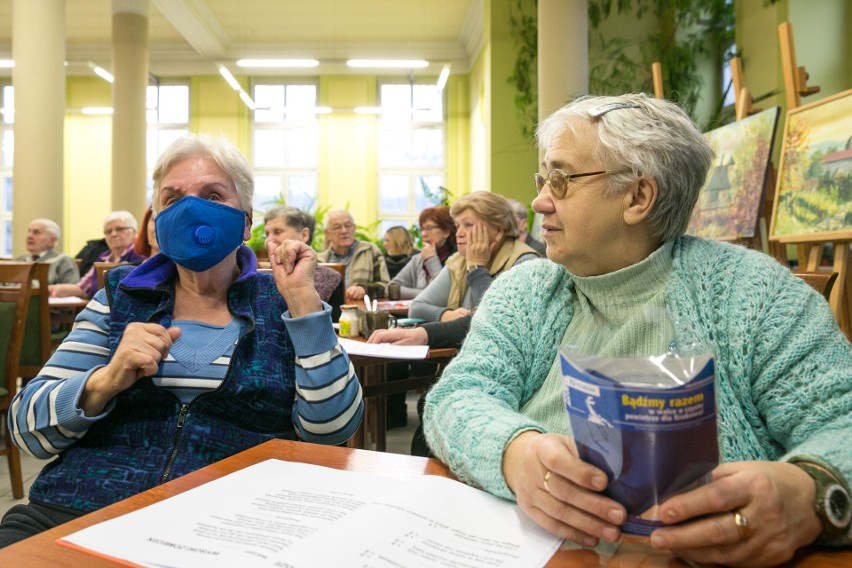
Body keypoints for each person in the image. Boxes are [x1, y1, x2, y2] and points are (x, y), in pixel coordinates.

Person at [422, 94, 852, 566]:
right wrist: (514, 454)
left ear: (638, 197)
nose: (540, 200)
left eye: (561, 179)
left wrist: (812, 492)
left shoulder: (753, 294)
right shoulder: (527, 290)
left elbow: (842, 423)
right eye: (543, 178)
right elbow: (458, 396)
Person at [0, 133, 364, 547]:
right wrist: (104, 381)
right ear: (157, 221)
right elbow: (27, 428)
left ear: (246, 221)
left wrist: (304, 304)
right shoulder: (120, 296)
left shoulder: (281, 303)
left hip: (230, 525)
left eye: (213, 194)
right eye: (173, 199)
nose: (192, 210)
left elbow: (332, 430)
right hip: (83, 510)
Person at [409, 191, 539, 323]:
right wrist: (446, 316)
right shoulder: (458, 261)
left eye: (468, 225)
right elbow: (416, 308)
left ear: (499, 231)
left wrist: (477, 267)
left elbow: (498, 319)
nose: (459, 233)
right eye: (457, 226)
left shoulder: (525, 264)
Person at [264, 205, 345, 321]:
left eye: (278, 232)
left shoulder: (332, 279)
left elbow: (336, 328)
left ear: (304, 235)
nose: (269, 240)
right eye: (267, 234)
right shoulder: (260, 276)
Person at [48, 210, 146, 299]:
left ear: (134, 232)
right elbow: (82, 287)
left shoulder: (141, 254)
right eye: (108, 231)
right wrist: (52, 289)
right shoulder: (104, 257)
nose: (113, 234)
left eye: (119, 229)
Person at [317, 208, 389, 301]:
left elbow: (386, 286)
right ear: (327, 233)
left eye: (348, 225)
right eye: (337, 227)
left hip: (362, 312)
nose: (344, 231)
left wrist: (365, 290)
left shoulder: (370, 251)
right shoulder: (319, 261)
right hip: (330, 313)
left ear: (354, 229)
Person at [389, 205, 457, 299]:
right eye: (422, 229)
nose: (423, 234)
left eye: (429, 228)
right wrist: (425, 294)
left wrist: (431, 260)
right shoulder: (419, 258)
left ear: (446, 231)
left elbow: (445, 295)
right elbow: (391, 288)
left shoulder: (457, 259)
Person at [14, 218, 79, 285]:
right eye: (29, 231)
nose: (29, 236)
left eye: (36, 232)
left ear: (52, 240)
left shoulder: (63, 261)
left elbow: (71, 290)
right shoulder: (20, 260)